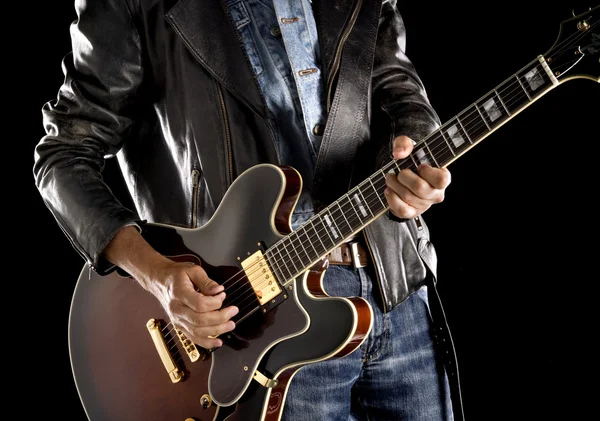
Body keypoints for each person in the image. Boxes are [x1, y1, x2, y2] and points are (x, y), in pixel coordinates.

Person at [33, 0, 463, 420]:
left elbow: (399, 92)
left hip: (397, 289)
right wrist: (158, 275)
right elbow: (63, 156)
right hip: (264, 325)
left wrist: (416, 151)